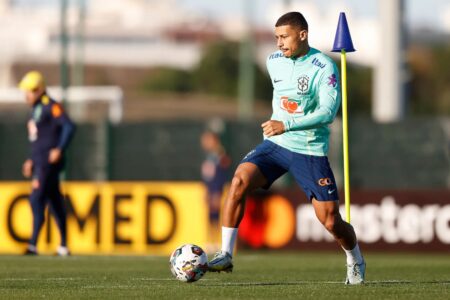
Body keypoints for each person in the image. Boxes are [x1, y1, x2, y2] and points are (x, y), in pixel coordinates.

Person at [208, 12, 366, 284]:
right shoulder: (273, 61)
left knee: (330, 221)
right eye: (276, 37)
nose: (278, 43)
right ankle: (225, 254)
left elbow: (328, 113)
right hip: (275, 146)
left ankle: (355, 258)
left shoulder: (324, 66)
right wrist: (280, 129)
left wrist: (287, 124)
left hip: (309, 150)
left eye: (284, 37)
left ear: (302, 34)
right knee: (238, 181)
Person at [19, 71, 75, 256]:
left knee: (36, 198)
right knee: (54, 201)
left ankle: (33, 244)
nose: (26, 95)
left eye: (29, 91)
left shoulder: (50, 106)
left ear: (38, 89)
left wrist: (59, 148)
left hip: (47, 164)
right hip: (40, 161)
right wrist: (31, 159)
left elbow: (68, 125)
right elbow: (39, 140)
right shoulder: (35, 109)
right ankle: (64, 246)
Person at [200, 129, 231, 253]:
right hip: (210, 189)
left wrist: (217, 192)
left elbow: (221, 175)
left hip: (216, 189)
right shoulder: (209, 155)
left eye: (207, 140)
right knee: (210, 216)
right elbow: (207, 175)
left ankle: (218, 242)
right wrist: (206, 190)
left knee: (217, 216)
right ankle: (210, 242)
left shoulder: (220, 154)